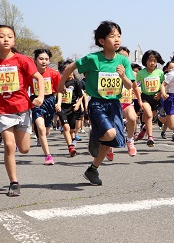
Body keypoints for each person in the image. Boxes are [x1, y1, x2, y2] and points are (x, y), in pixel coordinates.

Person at [58, 21, 135, 185]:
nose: (117, 39)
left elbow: (129, 86)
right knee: (109, 134)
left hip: (114, 104)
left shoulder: (123, 61)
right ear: (102, 41)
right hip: (97, 104)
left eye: (119, 36)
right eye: (112, 36)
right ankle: (95, 135)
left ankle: (92, 170)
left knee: (111, 140)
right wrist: (60, 84)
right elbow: (71, 67)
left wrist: (122, 76)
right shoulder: (93, 59)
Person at [0, 25, 45, 196]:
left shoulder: (22, 60)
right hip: (2, 110)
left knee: (24, 149)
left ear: (14, 40)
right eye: (1, 36)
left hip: (22, 109)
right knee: (9, 145)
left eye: (9, 36)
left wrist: (40, 96)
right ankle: (14, 182)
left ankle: (13, 138)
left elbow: (39, 78)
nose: (6, 39)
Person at [29, 48, 61, 165]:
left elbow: (60, 90)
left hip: (50, 100)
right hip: (36, 101)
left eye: (46, 59)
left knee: (47, 130)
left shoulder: (54, 73)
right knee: (41, 128)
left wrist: (59, 102)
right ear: (35, 60)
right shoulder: (31, 74)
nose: (44, 61)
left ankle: (41, 137)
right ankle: (48, 155)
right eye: (41, 59)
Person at [134, 50, 165, 147]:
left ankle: (143, 130)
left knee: (151, 117)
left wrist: (160, 93)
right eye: (150, 61)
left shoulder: (160, 72)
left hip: (155, 98)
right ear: (145, 61)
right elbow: (137, 85)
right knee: (149, 114)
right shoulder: (141, 73)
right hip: (145, 97)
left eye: (155, 61)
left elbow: (164, 85)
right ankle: (150, 137)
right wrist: (138, 95)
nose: (152, 63)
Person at [56, 59, 84, 157]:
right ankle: (70, 147)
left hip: (72, 108)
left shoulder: (76, 83)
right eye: (65, 69)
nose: (67, 71)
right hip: (62, 108)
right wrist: (58, 104)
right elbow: (59, 93)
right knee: (66, 127)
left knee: (72, 129)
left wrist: (78, 104)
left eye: (69, 68)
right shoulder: (60, 82)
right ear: (62, 72)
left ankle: (72, 141)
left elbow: (81, 95)